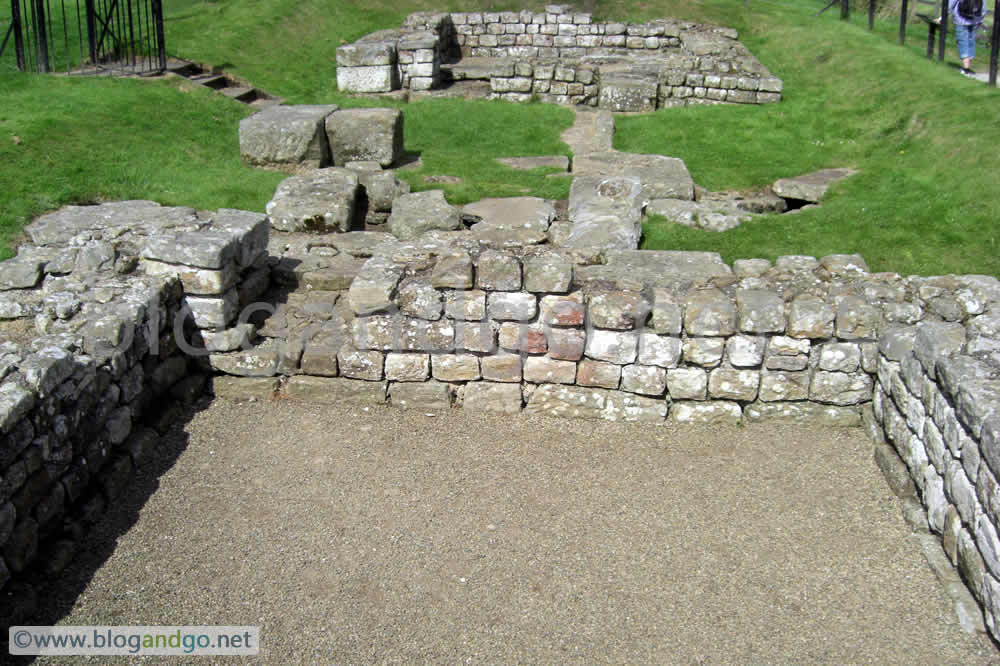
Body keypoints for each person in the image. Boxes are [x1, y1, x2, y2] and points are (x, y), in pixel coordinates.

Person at [947, 0, 988, 76]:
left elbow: (951, 3)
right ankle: (967, 67)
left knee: (962, 42)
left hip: (960, 19)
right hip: (975, 19)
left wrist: (944, 15)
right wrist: (980, 18)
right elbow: (983, 6)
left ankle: (966, 69)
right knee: (971, 42)